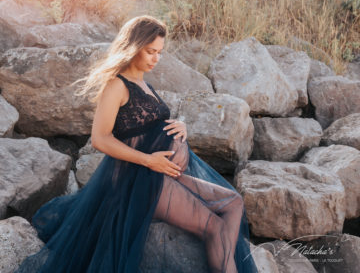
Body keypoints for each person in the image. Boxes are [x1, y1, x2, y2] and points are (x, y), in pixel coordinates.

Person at [15, 15, 258, 273]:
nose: (156, 58)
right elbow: (100, 138)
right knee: (215, 228)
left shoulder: (145, 84)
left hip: (164, 176)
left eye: (160, 53)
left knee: (234, 203)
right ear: (133, 47)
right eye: (150, 51)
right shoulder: (116, 85)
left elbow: (150, 125)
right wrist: (149, 160)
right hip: (139, 180)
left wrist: (181, 127)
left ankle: (226, 262)